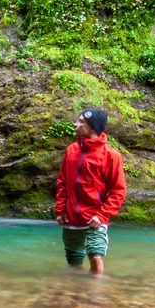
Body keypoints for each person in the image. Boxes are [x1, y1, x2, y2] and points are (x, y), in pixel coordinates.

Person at [54, 106, 127, 275]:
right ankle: (75, 294)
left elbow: (118, 191)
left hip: (95, 217)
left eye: (80, 122)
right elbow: (62, 182)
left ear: (92, 128)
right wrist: (60, 209)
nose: (75, 124)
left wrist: (102, 215)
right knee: (74, 261)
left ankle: (95, 296)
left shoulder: (111, 155)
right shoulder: (71, 150)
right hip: (71, 216)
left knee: (95, 256)